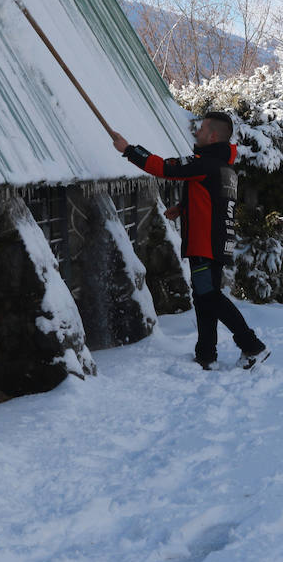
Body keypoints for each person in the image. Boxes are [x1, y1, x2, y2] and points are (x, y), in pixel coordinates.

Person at [111, 111, 269, 369]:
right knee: (204, 296)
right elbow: (214, 200)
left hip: (204, 243)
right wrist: (184, 207)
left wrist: (129, 150)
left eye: (202, 129)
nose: (196, 132)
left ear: (213, 136)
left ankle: (252, 346)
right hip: (217, 243)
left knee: (209, 296)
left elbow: (165, 168)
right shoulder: (225, 168)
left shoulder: (206, 162)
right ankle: (206, 355)